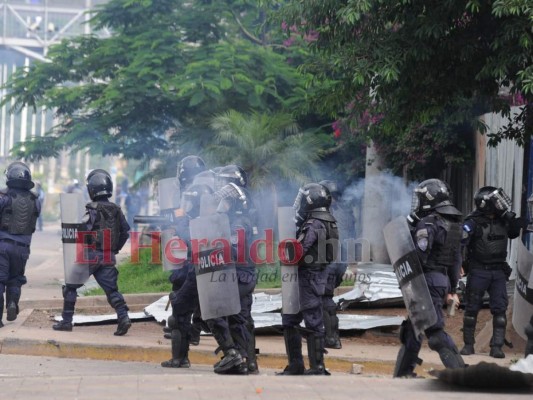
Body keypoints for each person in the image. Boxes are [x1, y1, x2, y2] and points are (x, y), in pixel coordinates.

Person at [393, 178, 465, 378]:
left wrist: (408, 233)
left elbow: (419, 256)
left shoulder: (428, 223)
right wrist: (452, 290)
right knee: (413, 328)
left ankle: (461, 374)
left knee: (434, 331)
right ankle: (402, 374)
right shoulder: (455, 224)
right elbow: (455, 261)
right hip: (441, 280)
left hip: (426, 281)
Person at [53, 169, 131, 335]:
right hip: (109, 257)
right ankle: (123, 317)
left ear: (92, 189)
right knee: (112, 291)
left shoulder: (92, 209)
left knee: (70, 287)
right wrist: (115, 249)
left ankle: (67, 321)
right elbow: (125, 232)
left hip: (91, 256)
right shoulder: (117, 210)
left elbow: (83, 231)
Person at [279, 183, 339, 376]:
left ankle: (317, 366)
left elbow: (299, 250)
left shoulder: (313, 224)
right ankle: (296, 365)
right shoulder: (330, 221)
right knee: (290, 318)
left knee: (312, 319)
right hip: (314, 275)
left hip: (308, 276)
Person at [460, 186, 525, 358]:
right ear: (487, 204)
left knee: (500, 310)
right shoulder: (472, 222)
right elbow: (461, 242)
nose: (500, 204)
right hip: (479, 270)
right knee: (472, 309)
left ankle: (496, 347)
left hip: (498, 271)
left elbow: (514, 231)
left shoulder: (503, 221)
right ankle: (468, 345)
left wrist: (516, 221)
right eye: (496, 201)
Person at [206, 164, 259, 375]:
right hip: (247, 273)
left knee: (213, 309)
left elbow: (232, 250)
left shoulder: (237, 224)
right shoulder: (248, 216)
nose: (223, 204)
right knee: (241, 317)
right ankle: (248, 361)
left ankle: (231, 353)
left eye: (226, 201)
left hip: (237, 273)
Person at [0, 162, 41, 327]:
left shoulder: (4, 198)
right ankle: (12, 304)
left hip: (3, 245)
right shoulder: (35, 200)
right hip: (23, 248)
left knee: (0, 281)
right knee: (15, 279)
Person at [319, 180, 355, 349]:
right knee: (328, 297)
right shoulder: (347, 212)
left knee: (324, 299)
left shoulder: (327, 212)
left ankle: (331, 338)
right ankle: (331, 336)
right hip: (341, 261)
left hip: (329, 261)